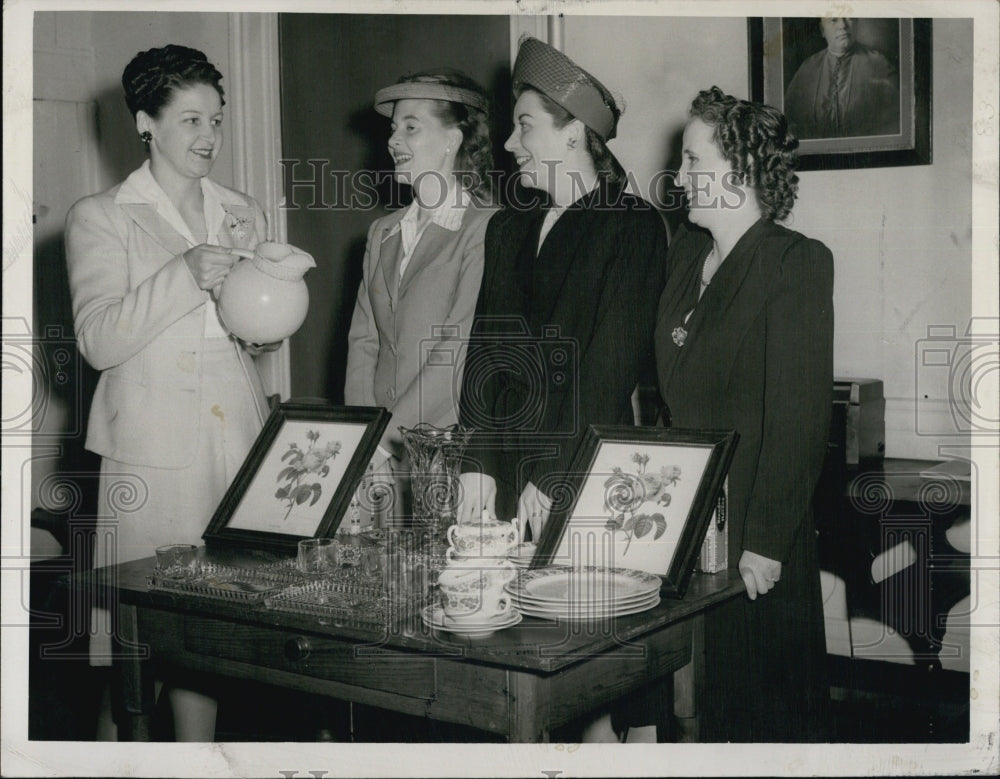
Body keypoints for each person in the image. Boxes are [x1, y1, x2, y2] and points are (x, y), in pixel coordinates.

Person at [65, 44, 274, 741]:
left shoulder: (240, 210)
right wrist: (185, 273)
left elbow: (259, 336)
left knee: (209, 645)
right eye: (190, 120)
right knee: (140, 650)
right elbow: (99, 340)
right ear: (144, 123)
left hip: (235, 443)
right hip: (152, 452)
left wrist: (266, 303)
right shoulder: (101, 215)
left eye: (216, 119)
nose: (210, 137)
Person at [654, 86, 833, 741]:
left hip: (758, 535)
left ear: (745, 172)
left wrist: (763, 539)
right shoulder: (681, 255)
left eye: (694, 162)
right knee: (687, 705)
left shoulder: (794, 262)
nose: (679, 178)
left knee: (759, 718)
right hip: (681, 526)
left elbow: (799, 414)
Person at [456, 38, 667, 545]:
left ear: (573, 131)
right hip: (500, 472)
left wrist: (554, 476)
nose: (508, 144)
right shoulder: (507, 227)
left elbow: (607, 372)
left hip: (580, 469)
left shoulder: (631, 226)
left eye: (524, 126)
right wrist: (476, 464)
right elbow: (486, 351)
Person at [344, 70, 497, 523]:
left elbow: (458, 348)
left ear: (453, 139)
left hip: (442, 452)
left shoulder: (486, 227)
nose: (394, 139)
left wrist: (384, 439)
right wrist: (361, 439)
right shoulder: (383, 231)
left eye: (411, 126)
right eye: (393, 127)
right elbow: (364, 341)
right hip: (376, 458)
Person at [784, 17, 901, 138]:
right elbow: (791, 121)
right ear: (822, 30)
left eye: (849, 18)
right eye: (834, 20)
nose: (843, 26)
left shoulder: (879, 65)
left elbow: (895, 121)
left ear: (856, 23)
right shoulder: (808, 68)